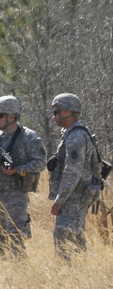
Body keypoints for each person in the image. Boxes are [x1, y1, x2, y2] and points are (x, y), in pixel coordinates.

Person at [0, 95, 47, 256]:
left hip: (16, 193)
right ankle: (4, 265)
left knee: (16, 233)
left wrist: (19, 169)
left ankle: (19, 268)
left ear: (11, 116)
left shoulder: (29, 137)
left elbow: (41, 163)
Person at [48, 93, 104, 258]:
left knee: (64, 233)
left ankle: (70, 272)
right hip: (77, 194)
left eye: (56, 112)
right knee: (74, 234)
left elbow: (72, 172)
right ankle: (79, 269)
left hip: (76, 195)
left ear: (66, 112)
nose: (54, 117)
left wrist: (59, 201)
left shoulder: (76, 136)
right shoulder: (71, 133)